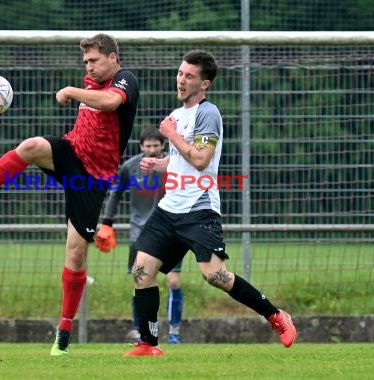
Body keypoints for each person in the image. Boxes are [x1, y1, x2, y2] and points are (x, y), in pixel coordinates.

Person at [0, 33, 139, 356]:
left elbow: (111, 103)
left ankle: (65, 331)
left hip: (93, 178)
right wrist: (78, 88)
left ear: (113, 58)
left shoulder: (126, 80)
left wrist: (71, 90)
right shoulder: (90, 79)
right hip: (71, 151)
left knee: (74, 253)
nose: (89, 67)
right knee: (30, 146)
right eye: (86, 62)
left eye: (94, 60)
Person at [123, 50, 297, 357]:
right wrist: (158, 164)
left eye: (189, 76)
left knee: (215, 276)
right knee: (141, 269)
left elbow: (201, 160)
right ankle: (149, 345)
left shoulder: (208, 113)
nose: (181, 79)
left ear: (204, 84)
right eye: (180, 73)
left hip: (199, 209)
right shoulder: (177, 115)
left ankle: (275, 315)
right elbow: (181, 160)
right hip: (169, 208)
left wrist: (171, 134)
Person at [97, 127, 184, 344]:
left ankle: (174, 331)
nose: (152, 149)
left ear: (163, 146)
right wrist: (107, 223)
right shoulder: (130, 167)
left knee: (173, 282)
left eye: (156, 145)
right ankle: (139, 330)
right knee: (140, 280)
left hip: (171, 232)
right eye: (148, 146)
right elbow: (115, 193)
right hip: (140, 233)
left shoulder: (175, 164)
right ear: (141, 147)